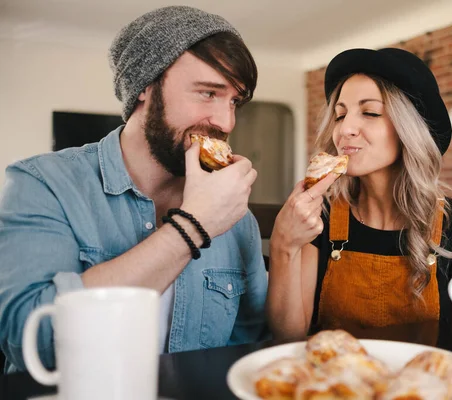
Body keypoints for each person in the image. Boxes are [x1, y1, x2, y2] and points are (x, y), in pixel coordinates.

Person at [0, 6, 268, 373]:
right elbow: (33, 344)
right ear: (145, 85)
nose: (226, 121)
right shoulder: (43, 184)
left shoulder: (237, 215)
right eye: (208, 93)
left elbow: (246, 345)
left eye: (234, 101)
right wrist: (193, 226)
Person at [267, 48, 452, 340]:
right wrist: (283, 245)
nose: (345, 128)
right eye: (339, 115)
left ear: (408, 129)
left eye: (370, 112)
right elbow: (288, 338)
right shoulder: (319, 216)